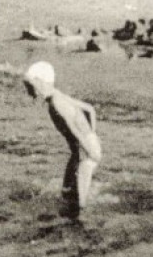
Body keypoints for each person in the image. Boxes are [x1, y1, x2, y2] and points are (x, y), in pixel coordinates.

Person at [21, 61, 102, 220]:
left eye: (31, 86)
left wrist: (90, 151)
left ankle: (80, 226)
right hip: (82, 149)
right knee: (66, 193)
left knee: (80, 205)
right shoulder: (58, 95)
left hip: (84, 152)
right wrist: (92, 135)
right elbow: (90, 109)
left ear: (41, 82)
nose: (29, 90)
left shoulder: (56, 103)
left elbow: (73, 129)